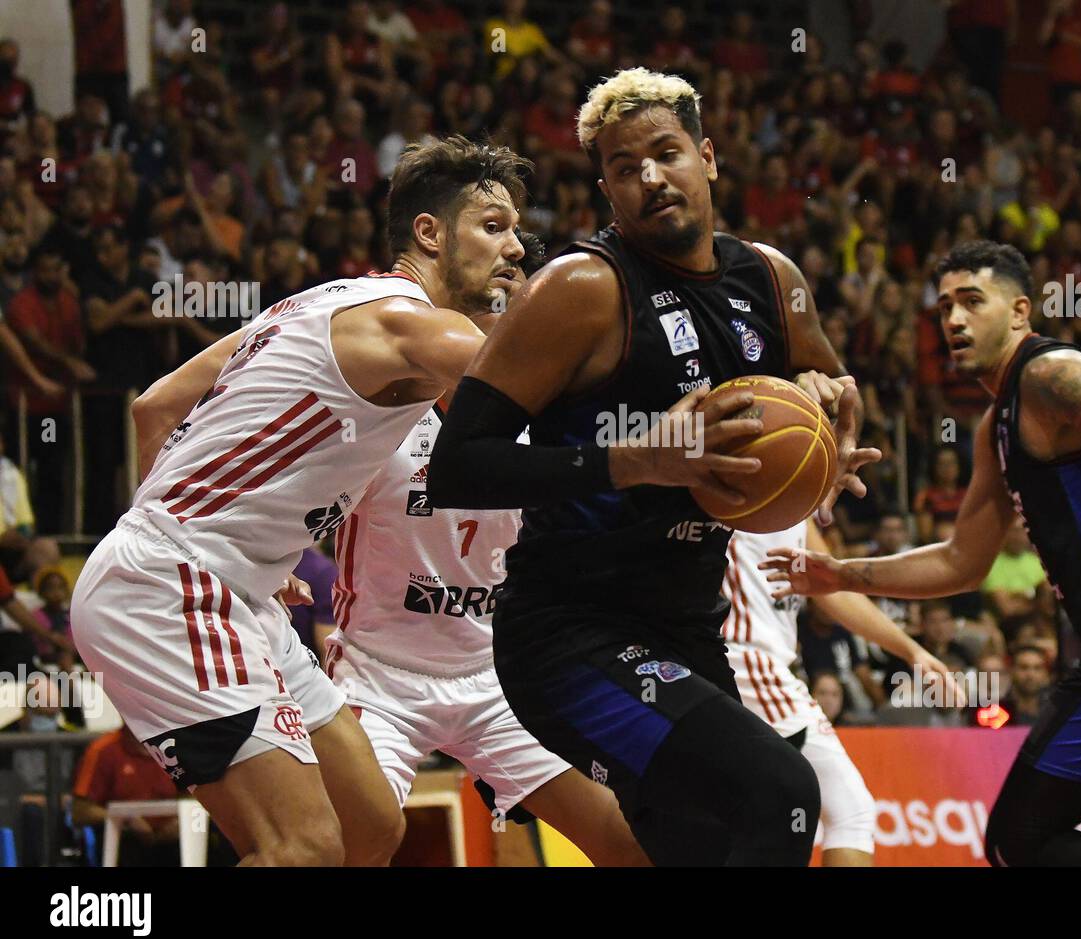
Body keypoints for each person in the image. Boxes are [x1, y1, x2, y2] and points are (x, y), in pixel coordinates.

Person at [427, 68, 877, 866]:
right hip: (568, 637)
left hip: (685, 626)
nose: (649, 179)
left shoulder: (772, 280)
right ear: (606, 190)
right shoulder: (580, 289)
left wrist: (828, 415)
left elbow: (827, 387)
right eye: (623, 169)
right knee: (779, 794)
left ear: (707, 157)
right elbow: (457, 468)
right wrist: (630, 461)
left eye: (665, 154)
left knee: (699, 845)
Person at [69, 137, 531, 866]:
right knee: (305, 847)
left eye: (517, 231)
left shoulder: (317, 301)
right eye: (494, 227)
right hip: (173, 588)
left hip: (230, 589)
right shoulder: (417, 324)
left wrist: (243, 538)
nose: (516, 248)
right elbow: (540, 392)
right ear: (429, 233)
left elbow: (153, 408)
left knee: (372, 827)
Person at [765, 239, 1081, 866]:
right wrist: (839, 573)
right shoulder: (997, 422)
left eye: (972, 302)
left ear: (1020, 311)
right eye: (943, 309)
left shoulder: (1052, 375)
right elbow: (963, 561)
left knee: (1019, 842)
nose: (954, 321)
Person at [326, 230, 646, 865]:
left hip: (498, 674)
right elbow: (296, 501)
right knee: (354, 845)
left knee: (628, 842)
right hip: (378, 676)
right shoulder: (382, 412)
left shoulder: (541, 424)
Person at [722, 518, 958, 865]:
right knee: (851, 813)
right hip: (747, 659)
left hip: (743, 662)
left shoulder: (802, 502)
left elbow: (833, 589)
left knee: (731, 816)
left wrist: (912, 650)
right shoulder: (761, 473)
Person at [72, 727, 181, 866]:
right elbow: (80, 811)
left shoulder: (178, 747)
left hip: (173, 838)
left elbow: (196, 797)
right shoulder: (103, 750)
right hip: (125, 839)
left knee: (205, 833)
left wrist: (181, 821)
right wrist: (125, 819)